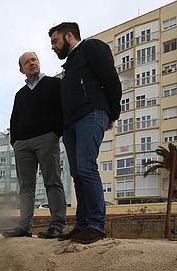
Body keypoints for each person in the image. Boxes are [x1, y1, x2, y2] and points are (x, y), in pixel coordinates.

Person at [48, 22, 122, 244]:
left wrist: (112, 114)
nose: (52, 47)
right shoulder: (69, 66)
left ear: (69, 36)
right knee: (78, 173)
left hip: (91, 114)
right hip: (71, 124)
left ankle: (96, 225)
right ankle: (82, 225)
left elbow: (111, 79)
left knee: (87, 168)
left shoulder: (92, 47)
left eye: (55, 40)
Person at [3, 51, 67, 238]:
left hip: (46, 138)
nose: (31, 63)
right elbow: (14, 119)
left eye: (34, 60)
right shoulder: (20, 94)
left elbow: (61, 110)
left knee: (52, 181)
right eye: (27, 62)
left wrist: (55, 132)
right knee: (26, 186)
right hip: (22, 144)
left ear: (38, 62)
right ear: (22, 69)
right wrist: (15, 141)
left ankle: (57, 224)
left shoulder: (55, 84)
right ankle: (24, 226)